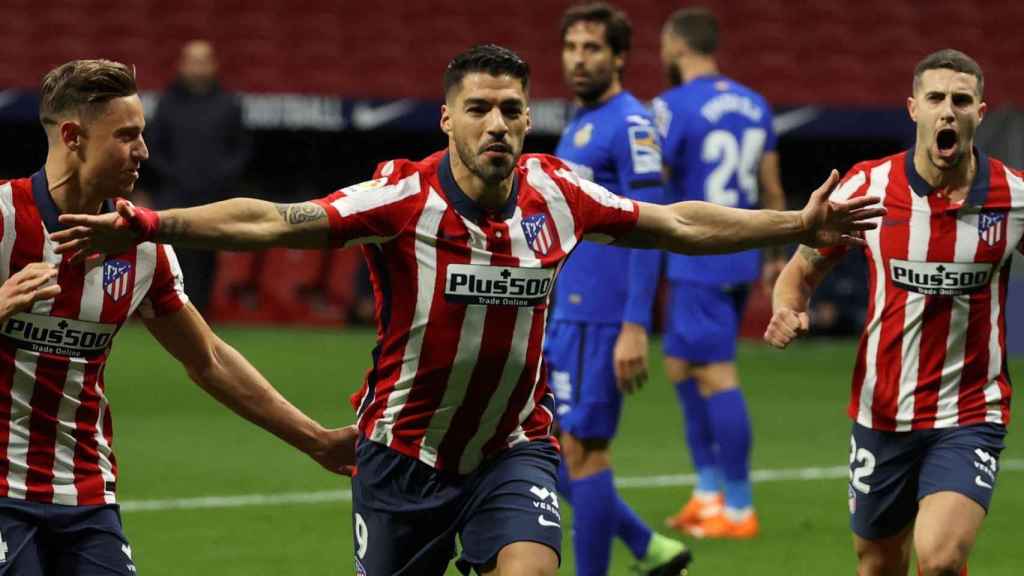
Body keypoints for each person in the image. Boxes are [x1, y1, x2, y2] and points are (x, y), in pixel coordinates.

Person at [53, 45, 883, 576]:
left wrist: (796, 223)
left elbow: (675, 222)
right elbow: (276, 219)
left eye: (512, 109)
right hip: (401, 456)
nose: (497, 124)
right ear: (448, 117)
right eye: (479, 108)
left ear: (530, 119)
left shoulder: (559, 192)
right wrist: (155, 223)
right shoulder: (399, 198)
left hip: (512, 447)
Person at [0, 59, 352, 575]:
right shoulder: (5, 219)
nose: (143, 151)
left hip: (86, 492)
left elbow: (207, 358)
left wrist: (315, 440)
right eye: (127, 136)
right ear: (73, 136)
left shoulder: (142, 246)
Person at [764, 49, 1020, 576]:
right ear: (913, 109)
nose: (948, 111)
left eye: (961, 100)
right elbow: (801, 272)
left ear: (980, 111)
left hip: (970, 411)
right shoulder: (868, 189)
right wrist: (787, 308)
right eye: (936, 99)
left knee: (943, 558)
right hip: (882, 411)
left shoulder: (1013, 197)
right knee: (878, 564)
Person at [546, 4, 689, 575]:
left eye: (593, 48)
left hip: (604, 317)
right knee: (542, 447)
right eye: (572, 47)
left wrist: (635, 323)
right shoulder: (580, 122)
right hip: (567, 313)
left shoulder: (630, 125)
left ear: (620, 57)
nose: (579, 59)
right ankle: (649, 547)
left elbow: (652, 227)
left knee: (585, 451)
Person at [653, 6, 787, 539]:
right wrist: (774, 256)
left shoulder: (671, 105)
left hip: (697, 247)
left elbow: (651, 178)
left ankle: (737, 507)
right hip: (742, 248)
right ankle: (708, 492)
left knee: (714, 372)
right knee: (682, 366)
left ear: (677, 45)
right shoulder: (754, 104)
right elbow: (771, 188)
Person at [146, 40, 251, 314]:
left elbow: (240, 151)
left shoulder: (230, 105)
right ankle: (171, 314)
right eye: (192, 61)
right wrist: (177, 176)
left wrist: (218, 178)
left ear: (214, 65)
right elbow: (153, 150)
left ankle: (202, 314)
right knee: (172, 257)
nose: (198, 67)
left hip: (214, 197)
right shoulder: (167, 103)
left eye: (203, 61)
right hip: (174, 195)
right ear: (181, 65)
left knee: (206, 258)